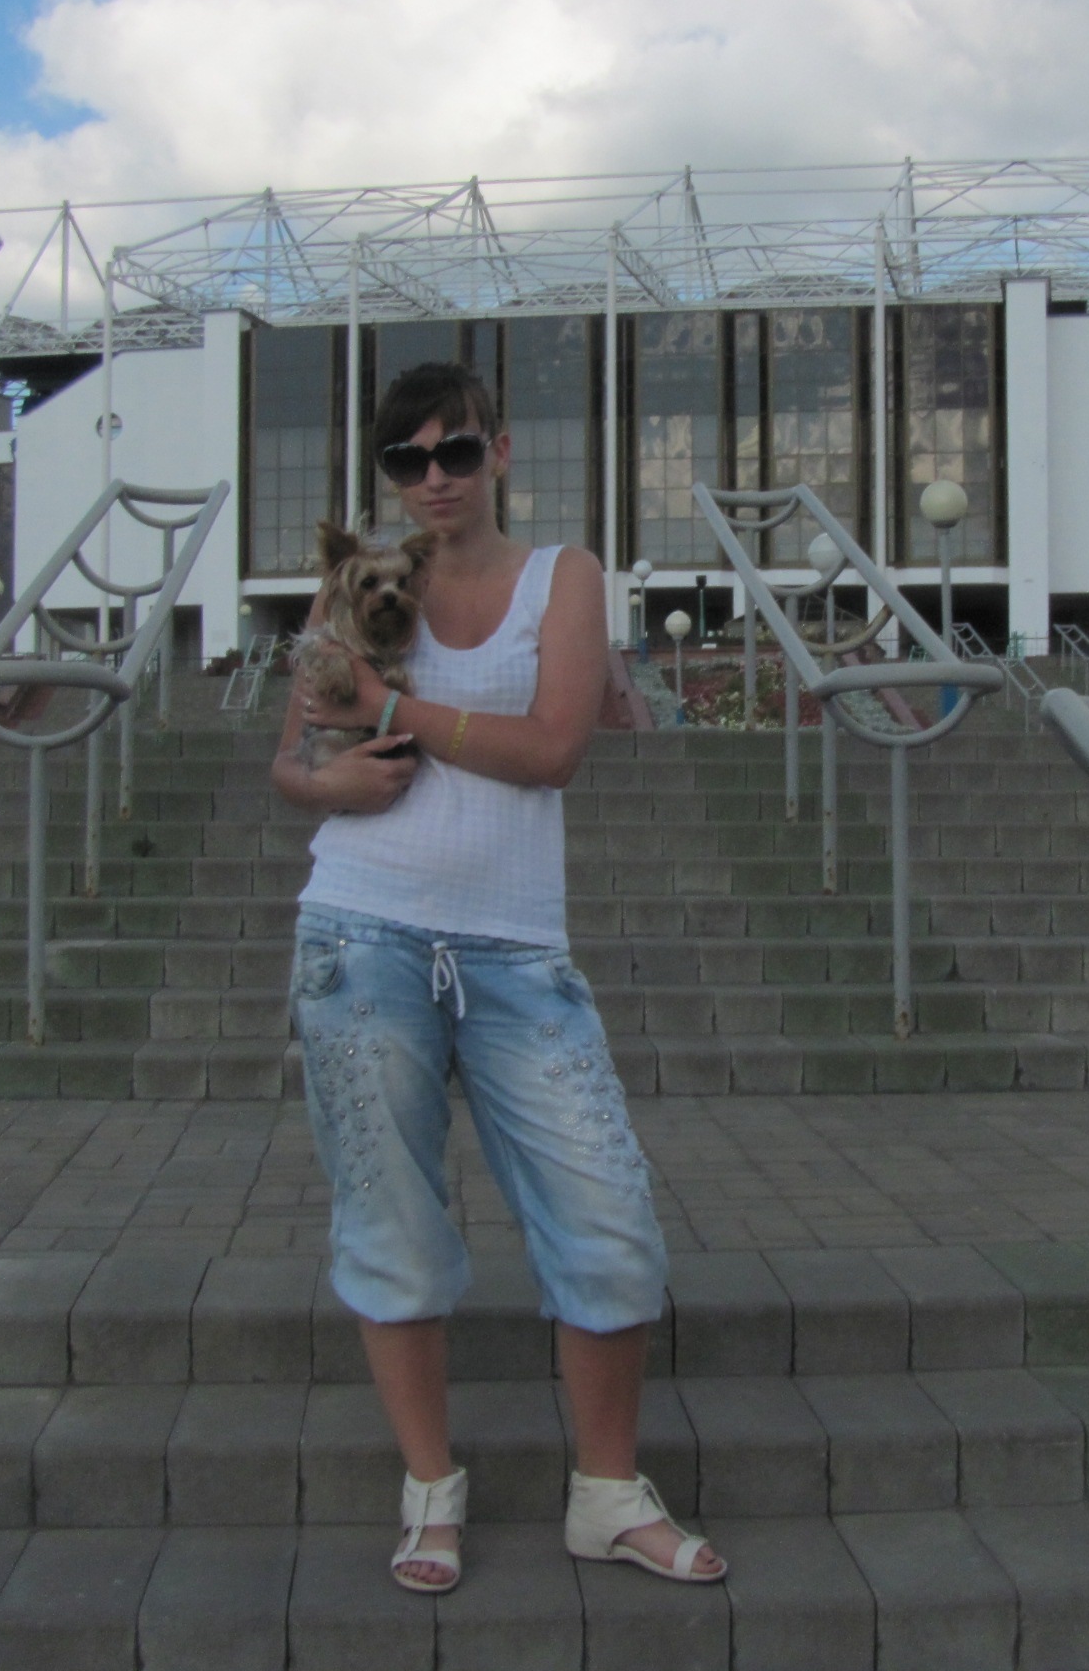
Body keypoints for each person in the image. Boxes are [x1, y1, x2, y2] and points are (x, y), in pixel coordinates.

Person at [270, 362, 724, 1594]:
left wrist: (390, 706)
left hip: (515, 949)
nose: (433, 478)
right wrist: (330, 777)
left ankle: (607, 1495)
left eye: (455, 451)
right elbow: (293, 760)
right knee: (391, 1220)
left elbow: (555, 750)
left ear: (500, 452)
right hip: (361, 933)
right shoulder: (357, 579)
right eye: (406, 459)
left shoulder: (562, 578)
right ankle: (430, 1492)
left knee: (606, 1220)